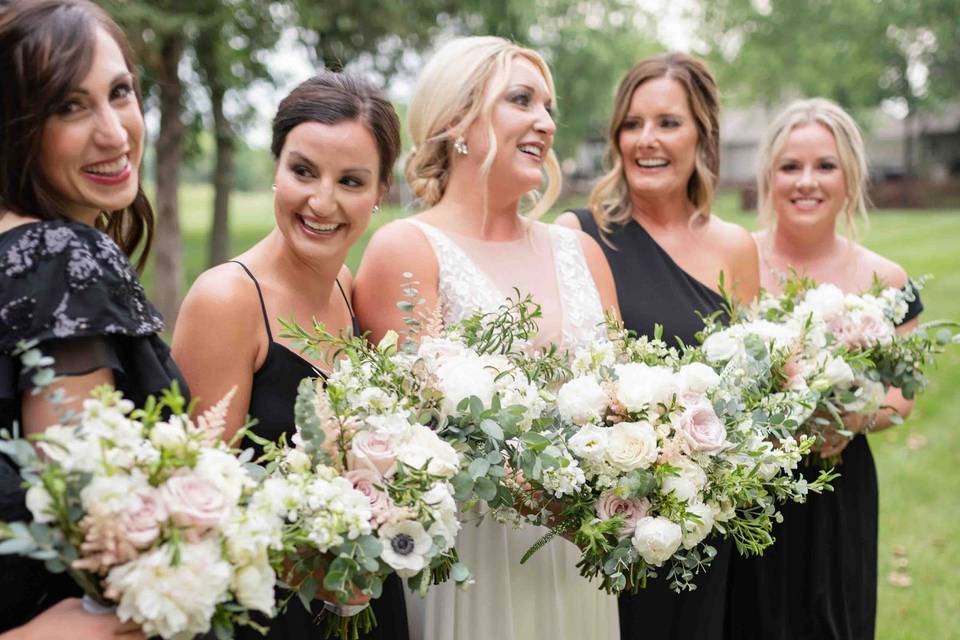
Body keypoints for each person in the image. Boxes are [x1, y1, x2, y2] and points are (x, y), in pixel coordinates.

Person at [353, 36, 620, 640]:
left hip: (580, 557)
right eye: (521, 100)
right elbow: (404, 438)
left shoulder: (579, 252)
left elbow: (626, 402)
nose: (545, 123)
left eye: (549, 107)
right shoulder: (409, 250)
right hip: (471, 565)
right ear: (457, 123)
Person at [171, 72, 408, 640]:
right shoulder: (227, 300)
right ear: (276, 168)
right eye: (303, 171)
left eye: (351, 181)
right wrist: (316, 572)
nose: (321, 201)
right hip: (269, 617)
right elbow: (198, 512)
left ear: (380, 193)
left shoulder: (347, 287)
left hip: (361, 603)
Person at [555, 52, 759, 640]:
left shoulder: (736, 248)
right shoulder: (577, 237)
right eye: (632, 124)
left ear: (703, 134)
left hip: (706, 527)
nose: (647, 140)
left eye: (668, 122)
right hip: (609, 524)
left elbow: (749, 393)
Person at [0, 0, 183, 635]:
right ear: (15, 128)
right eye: (69, 107)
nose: (114, 132)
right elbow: (97, 527)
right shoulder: (57, 258)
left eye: (120, 92)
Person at [723, 97, 922, 640]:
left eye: (824, 166)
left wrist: (852, 419)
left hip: (839, 488)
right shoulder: (735, 260)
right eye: (790, 166)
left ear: (850, 176)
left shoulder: (886, 277)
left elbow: (902, 394)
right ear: (769, 176)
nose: (805, 181)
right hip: (747, 490)